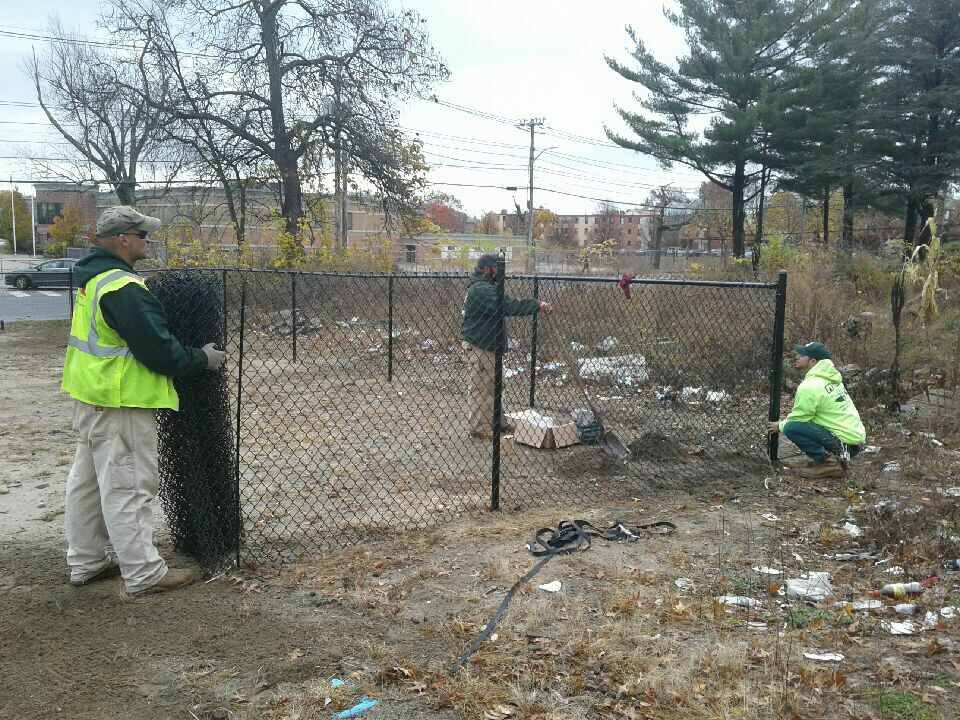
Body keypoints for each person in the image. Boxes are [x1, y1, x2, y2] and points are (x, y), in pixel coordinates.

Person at [61, 206, 226, 595]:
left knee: (87, 485)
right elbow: (160, 352)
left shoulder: (94, 279)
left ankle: (86, 561)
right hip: (122, 403)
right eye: (142, 235)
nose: (147, 241)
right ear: (123, 239)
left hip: (92, 397)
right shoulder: (123, 289)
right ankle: (144, 573)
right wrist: (202, 358)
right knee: (129, 486)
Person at [462, 254, 552, 438]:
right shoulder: (480, 289)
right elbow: (507, 306)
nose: (501, 272)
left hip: (489, 346)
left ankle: (497, 423)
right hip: (481, 346)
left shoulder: (486, 287)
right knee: (482, 388)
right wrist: (536, 304)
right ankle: (479, 428)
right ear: (488, 269)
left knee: (494, 386)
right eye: (498, 268)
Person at [768, 341, 866, 479]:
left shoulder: (810, 385)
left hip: (844, 446)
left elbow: (799, 418)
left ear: (813, 361)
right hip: (854, 445)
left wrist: (780, 426)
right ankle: (829, 459)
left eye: (802, 355)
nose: (797, 357)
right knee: (806, 421)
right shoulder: (833, 379)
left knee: (791, 427)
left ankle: (830, 465)